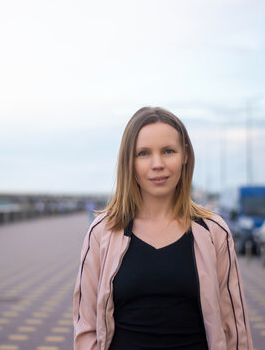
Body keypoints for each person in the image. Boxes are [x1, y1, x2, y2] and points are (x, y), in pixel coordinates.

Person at [73, 107, 253, 350]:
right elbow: (87, 329)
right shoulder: (102, 232)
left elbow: (235, 329)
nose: (157, 164)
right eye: (144, 153)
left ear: (185, 156)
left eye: (168, 151)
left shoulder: (213, 232)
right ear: (130, 161)